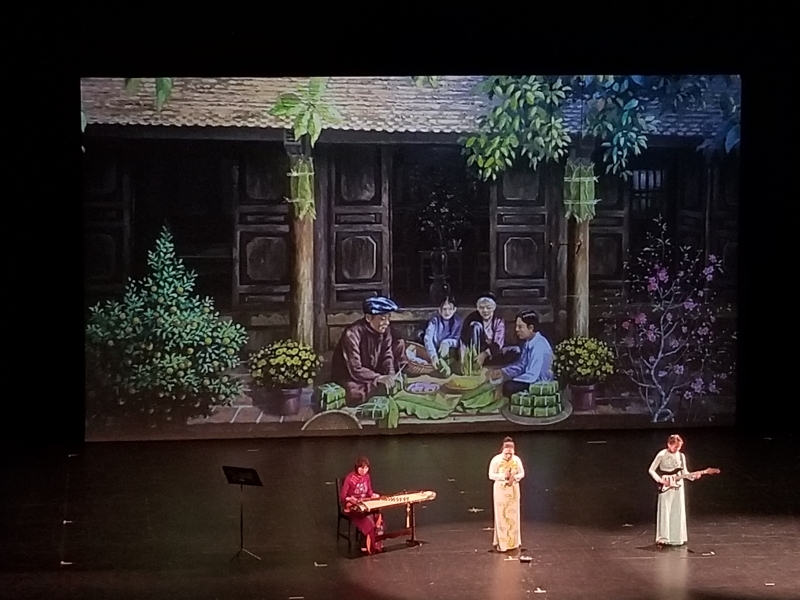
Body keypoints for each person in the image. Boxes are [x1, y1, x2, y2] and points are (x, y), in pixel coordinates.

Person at [330, 295, 402, 406]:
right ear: (368, 318)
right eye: (382, 319)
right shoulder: (352, 334)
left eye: (388, 318)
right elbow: (355, 368)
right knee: (354, 393)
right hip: (352, 376)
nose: (387, 323)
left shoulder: (385, 331)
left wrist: (390, 374)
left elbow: (387, 355)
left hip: (373, 373)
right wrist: (379, 378)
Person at [647, 434, 703, 547]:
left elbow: (685, 473)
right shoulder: (662, 454)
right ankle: (663, 538)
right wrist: (660, 480)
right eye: (675, 446)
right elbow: (651, 470)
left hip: (678, 484)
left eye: (679, 447)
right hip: (666, 483)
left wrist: (693, 476)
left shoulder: (681, 456)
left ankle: (677, 537)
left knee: (678, 509)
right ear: (669, 444)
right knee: (665, 509)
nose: (677, 449)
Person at [487, 310, 554, 398]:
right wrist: (503, 371)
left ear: (531, 328)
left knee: (507, 387)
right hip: (531, 379)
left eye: (520, 327)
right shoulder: (528, 343)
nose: (516, 330)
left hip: (539, 383)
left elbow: (533, 375)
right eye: (516, 326)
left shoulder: (539, 345)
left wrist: (513, 379)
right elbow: (521, 366)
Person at [340, 456, 385, 555]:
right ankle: (365, 544)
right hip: (353, 505)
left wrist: (373, 495)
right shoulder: (350, 478)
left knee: (377, 515)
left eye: (366, 468)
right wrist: (350, 499)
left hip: (364, 502)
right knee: (368, 519)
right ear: (357, 467)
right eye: (361, 468)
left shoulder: (367, 477)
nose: (364, 470)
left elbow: (369, 491)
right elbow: (343, 496)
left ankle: (376, 543)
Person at [460, 293, 518, 368]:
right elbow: (463, 339)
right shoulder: (471, 318)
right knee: (476, 326)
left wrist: (485, 354)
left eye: (488, 308)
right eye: (481, 307)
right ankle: (475, 362)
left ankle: (488, 363)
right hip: (475, 351)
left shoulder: (498, 320)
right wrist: (463, 357)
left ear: (494, 308)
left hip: (492, 352)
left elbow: (498, 343)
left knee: (516, 350)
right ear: (477, 308)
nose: (485, 310)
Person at [488, 436, 525, 553]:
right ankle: (502, 543)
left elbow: (522, 473)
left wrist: (515, 477)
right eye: (506, 454)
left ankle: (514, 542)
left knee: (513, 515)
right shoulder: (496, 460)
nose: (509, 456)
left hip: (513, 489)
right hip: (500, 489)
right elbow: (491, 475)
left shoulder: (517, 460)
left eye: (511, 453)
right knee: (501, 515)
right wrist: (503, 476)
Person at [423, 296, 463, 376]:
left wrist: (447, 342)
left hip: (451, 353)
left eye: (450, 309)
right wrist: (433, 355)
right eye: (444, 309)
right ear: (439, 310)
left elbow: (459, 340)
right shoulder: (434, 321)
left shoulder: (458, 321)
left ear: (454, 309)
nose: (447, 312)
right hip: (435, 351)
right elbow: (428, 338)